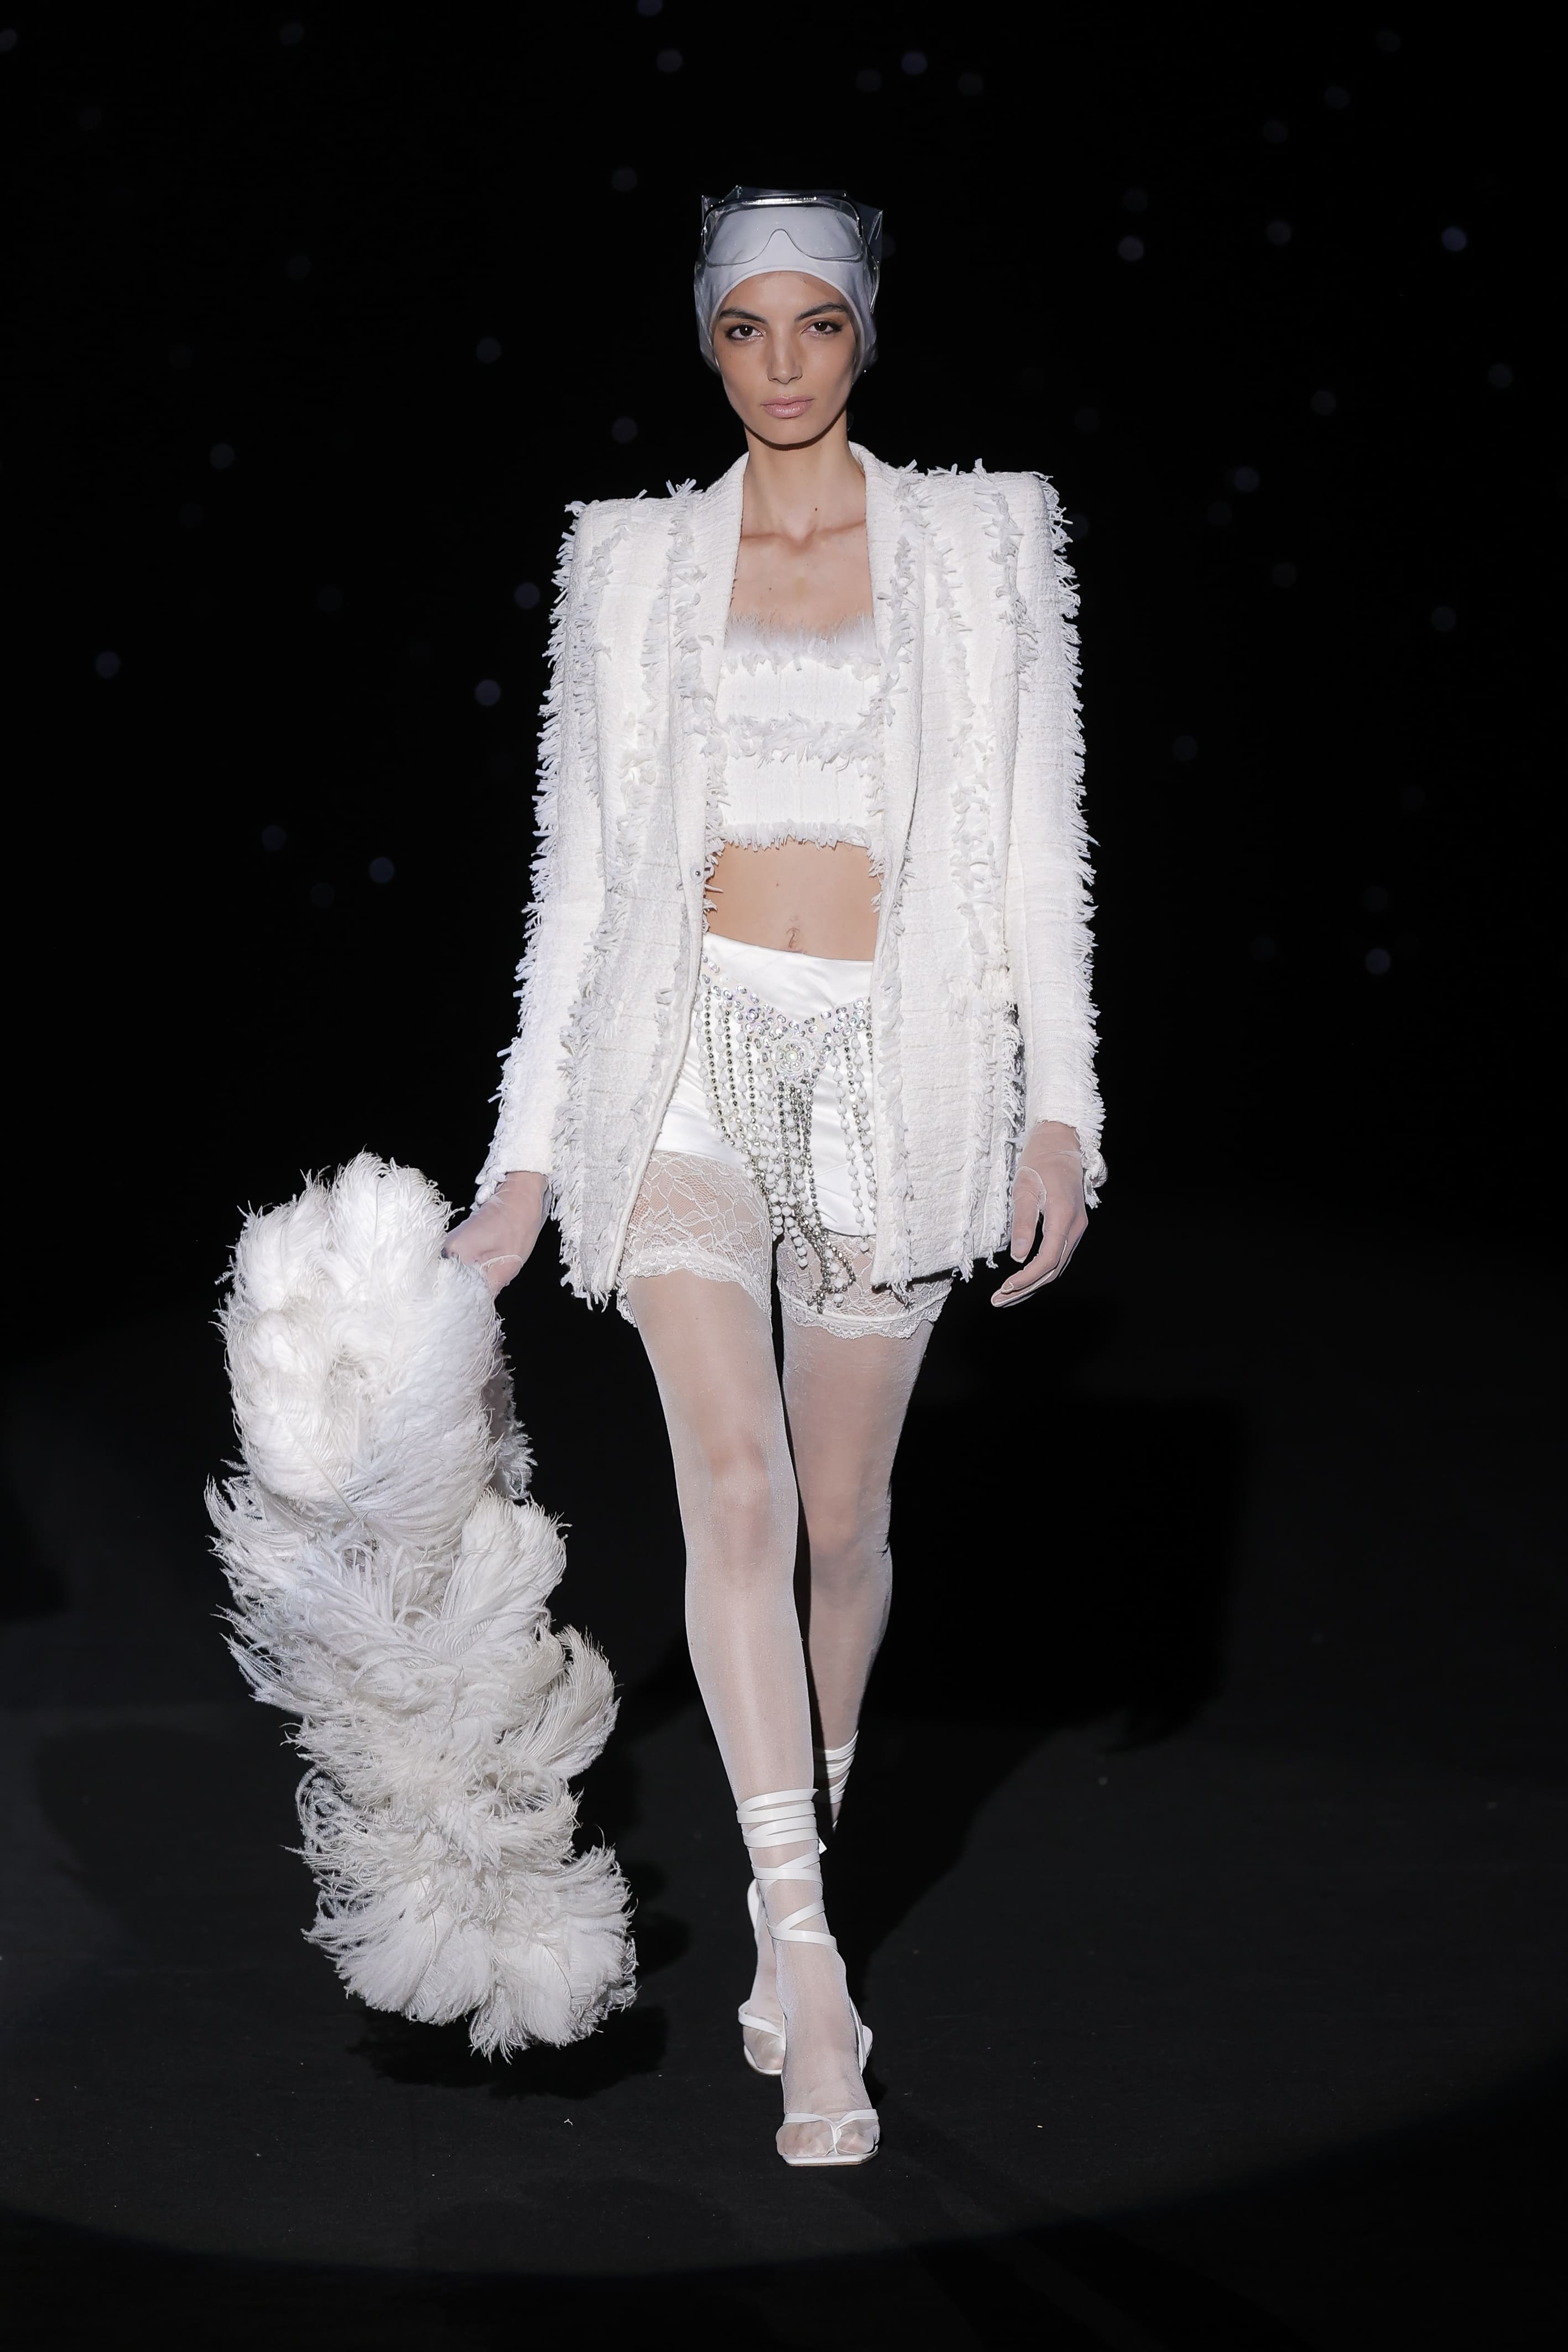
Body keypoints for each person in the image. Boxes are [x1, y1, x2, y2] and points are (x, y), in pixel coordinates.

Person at [444, 187, 1104, 2167]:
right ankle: (807, 1955)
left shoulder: (980, 545)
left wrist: (1061, 1111)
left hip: (895, 1075)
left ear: (866, 332)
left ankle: (787, 1853)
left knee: (840, 1518)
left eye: (819, 324)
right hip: (684, 1070)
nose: (785, 363)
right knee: (728, 1490)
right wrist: (524, 1161)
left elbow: (1034, 848)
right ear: (707, 341)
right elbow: (579, 882)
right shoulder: (632, 565)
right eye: (749, 328)